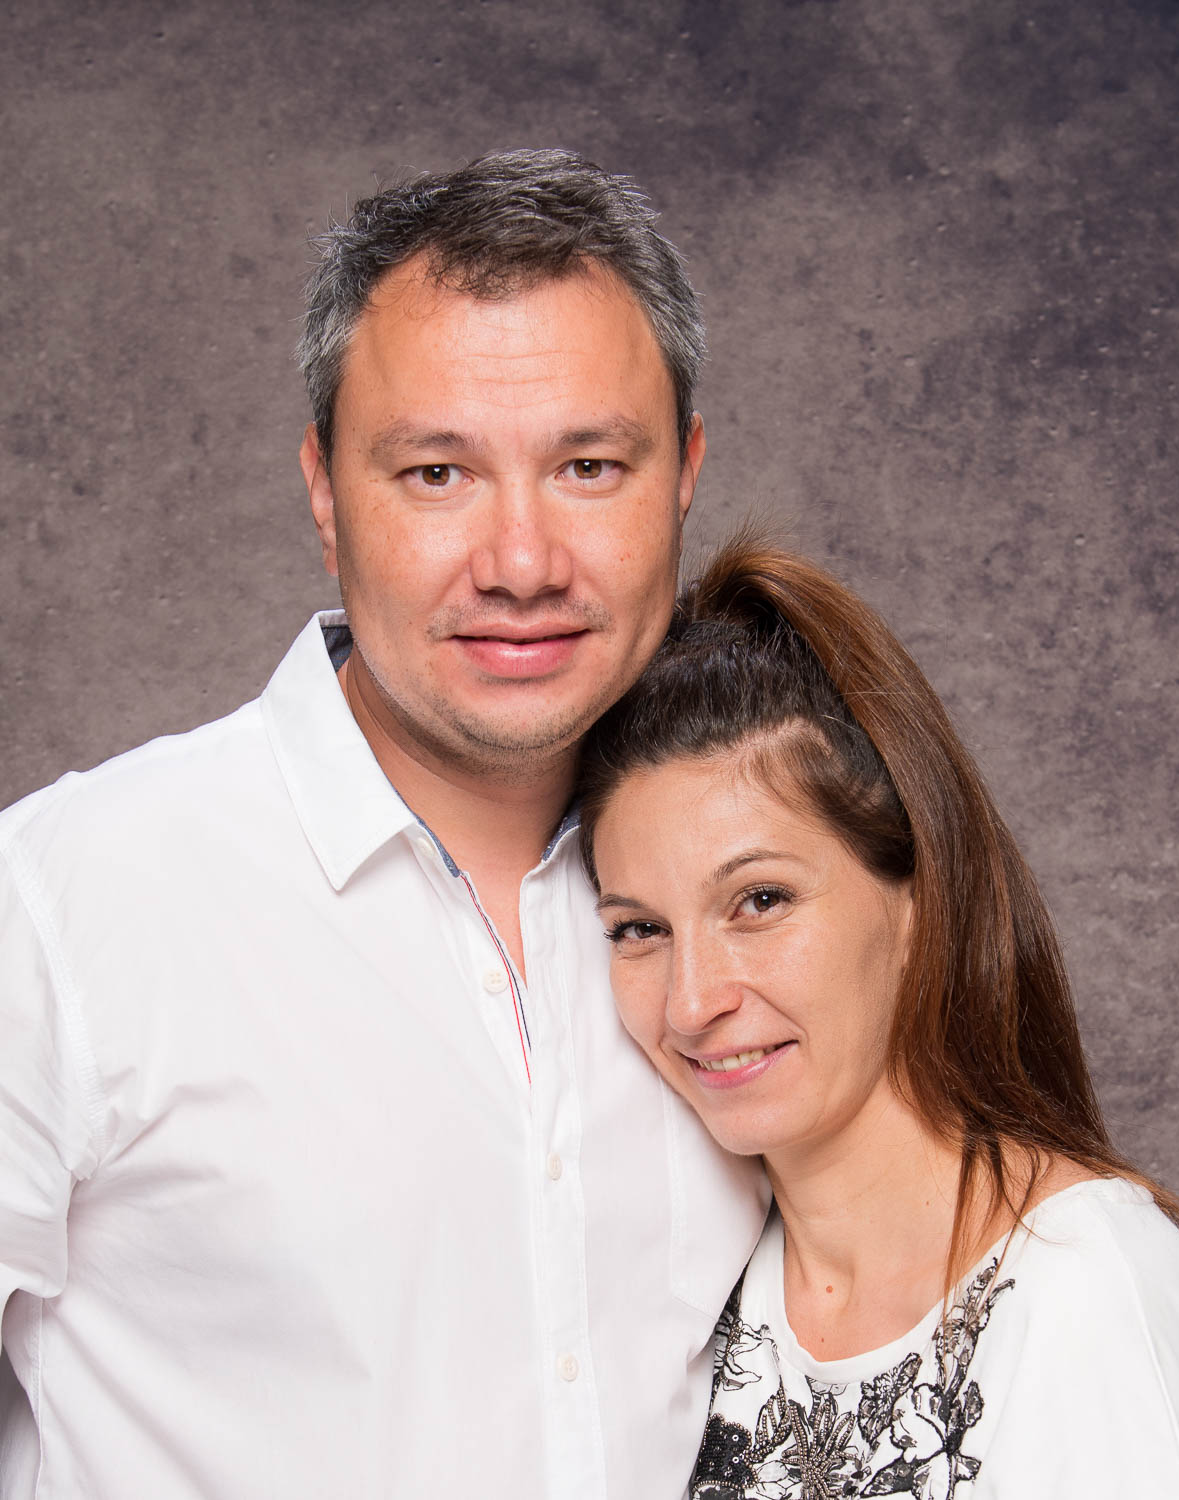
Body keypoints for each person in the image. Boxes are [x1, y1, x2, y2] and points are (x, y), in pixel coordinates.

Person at [0, 151, 768, 1498]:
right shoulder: (62, 906)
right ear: (321, 487)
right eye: (436, 474)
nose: (522, 563)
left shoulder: (775, 913)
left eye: (590, 465)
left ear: (687, 473)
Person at [579, 534, 1179, 1498]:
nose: (693, 1002)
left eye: (762, 901)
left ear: (917, 903)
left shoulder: (1084, 1291)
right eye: (639, 929)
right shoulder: (702, 1287)